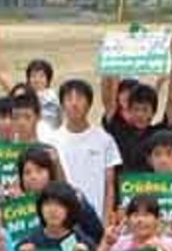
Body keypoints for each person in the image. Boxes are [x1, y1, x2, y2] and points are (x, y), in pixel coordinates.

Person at [51, 78, 121, 223]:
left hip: (96, 219)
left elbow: (110, 185)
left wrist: (106, 219)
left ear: (89, 104)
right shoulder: (52, 141)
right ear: (62, 105)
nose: (74, 103)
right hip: (62, 221)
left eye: (79, 98)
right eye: (69, 98)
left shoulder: (105, 139)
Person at [15, 146, 104, 246]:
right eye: (27, 172)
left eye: (39, 171)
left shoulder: (75, 198)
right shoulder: (13, 207)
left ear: (50, 173)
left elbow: (97, 235)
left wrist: (81, 249)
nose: (33, 177)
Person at [0, 21, 61, 130]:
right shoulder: (22, 94)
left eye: (41, 76)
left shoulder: (56, 97)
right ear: (28, 79)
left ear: (48, 79)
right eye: (33, 76)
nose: (37, 80)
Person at [103, 74, 172, 174]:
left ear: (153, 112)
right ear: (129, 110)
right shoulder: (119, 130)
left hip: (154, 187)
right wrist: (109, 62)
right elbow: (108, 100)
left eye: (145, 110)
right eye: (136, 109)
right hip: (121, 188)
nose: (140, 115)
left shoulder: (159, 134)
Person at [16, 182, 99, 251]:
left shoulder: (82, 240)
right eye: (48, 204)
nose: (53, 210)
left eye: (59, 204)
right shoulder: (31, 240)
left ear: (70, 209)